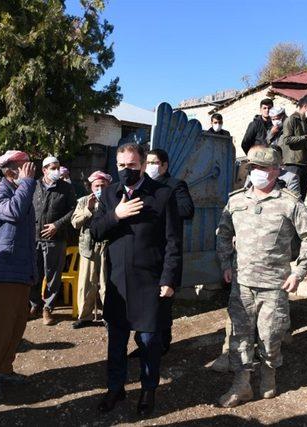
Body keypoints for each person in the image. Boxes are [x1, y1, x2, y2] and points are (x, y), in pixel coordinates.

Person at [216, 146, 307, 408]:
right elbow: (223, 233)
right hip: (242, 283)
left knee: (271, 337)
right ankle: (241, 385)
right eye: (253, 167)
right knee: (240, 337)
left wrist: (298, 272)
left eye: (263, 168)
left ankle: (269, 374)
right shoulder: (236, 200)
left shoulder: (289, 203)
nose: (257, 172)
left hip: (274, 285)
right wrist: (226, 262)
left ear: (276, 169)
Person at [90, 143, 182, 417]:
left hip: (150, 282)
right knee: (116, 341)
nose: (126, 171)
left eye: (131, 166)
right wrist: (115, 216)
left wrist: (169, 279)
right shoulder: (109, 195)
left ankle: (148, 390)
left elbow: (173, 242)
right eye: (121, 166)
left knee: (149, 342)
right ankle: (115, 388)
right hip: (118, 282)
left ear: (142, 165)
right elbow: (95, 231)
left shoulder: (163, 195)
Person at [0, 150, 37, 400]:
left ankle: (4, 368)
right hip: (2, 272)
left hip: (20, 271)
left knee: (15, 326)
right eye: (25, 166)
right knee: (0, 328)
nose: (30, 169)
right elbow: (13, 212)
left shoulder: (21, 190)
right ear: (11, 169)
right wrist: (26, 184)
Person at [139, 148, 194, 355]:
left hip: (166, 253)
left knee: (163, 303)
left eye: (154, 163)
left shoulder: (175, 185)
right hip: (145, 251)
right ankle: (145, 343)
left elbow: (188, 210)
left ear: (164, 166)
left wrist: (160, 206)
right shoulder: (143, 186)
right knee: (144, 302)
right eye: (148, 162)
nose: (150, 166)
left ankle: (162, 344)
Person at [31, 156, 77, 326]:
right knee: (34, 273)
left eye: (58, 167)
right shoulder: (34, 186)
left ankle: (48, 308)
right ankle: (34, 304)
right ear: (44, 170)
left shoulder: (66, 188)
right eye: (52, 167)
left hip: (55, 238)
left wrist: (57, 225)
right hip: (34, 237)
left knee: (53, 275)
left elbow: (74, 209)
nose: (56, 171)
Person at [71, 171, 112, 329]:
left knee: (106, 283)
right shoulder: (83, 201)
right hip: (88, 248)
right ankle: (85, 316)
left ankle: (108, 316)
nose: (100, 188)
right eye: (97, 186)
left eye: (103, 186)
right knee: (86, 284)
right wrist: (87, 210)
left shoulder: (112, 201)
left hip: (107, 247)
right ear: (91, 187)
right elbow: (75, 223)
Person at [280, 94, 307, 201]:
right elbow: (287, 140)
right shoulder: (291, 120)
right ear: (306, 106)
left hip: (305, 165)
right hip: (293, 165)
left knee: (301, 199)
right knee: (292, 198)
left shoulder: (306, 122)